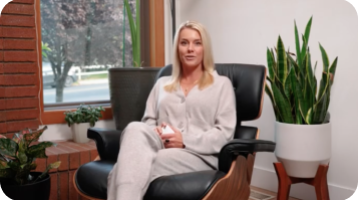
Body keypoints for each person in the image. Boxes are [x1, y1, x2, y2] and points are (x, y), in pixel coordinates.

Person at [107, 21, 237, 200]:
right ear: (177, 48)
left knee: (128, 165)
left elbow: (224, 134)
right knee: (134, 128)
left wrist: (184, 140)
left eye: (197, 43)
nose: (190, 48)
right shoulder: (162, 84)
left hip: (200, 155)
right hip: (159, 146)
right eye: (184, 43)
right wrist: (158, 131)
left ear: (204, 48)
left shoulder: (222, 84)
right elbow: (148, 122)